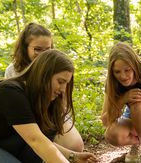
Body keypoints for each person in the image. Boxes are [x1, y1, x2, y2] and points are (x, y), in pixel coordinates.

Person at [5, 22, 84, 153]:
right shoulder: (13, 71)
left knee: (75, 146)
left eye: (47, 49)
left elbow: (62, 104)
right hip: (27, 116)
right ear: (25, 48)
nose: (42, 54)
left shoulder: (57, 66)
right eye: (37, 49)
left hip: (53, 115)